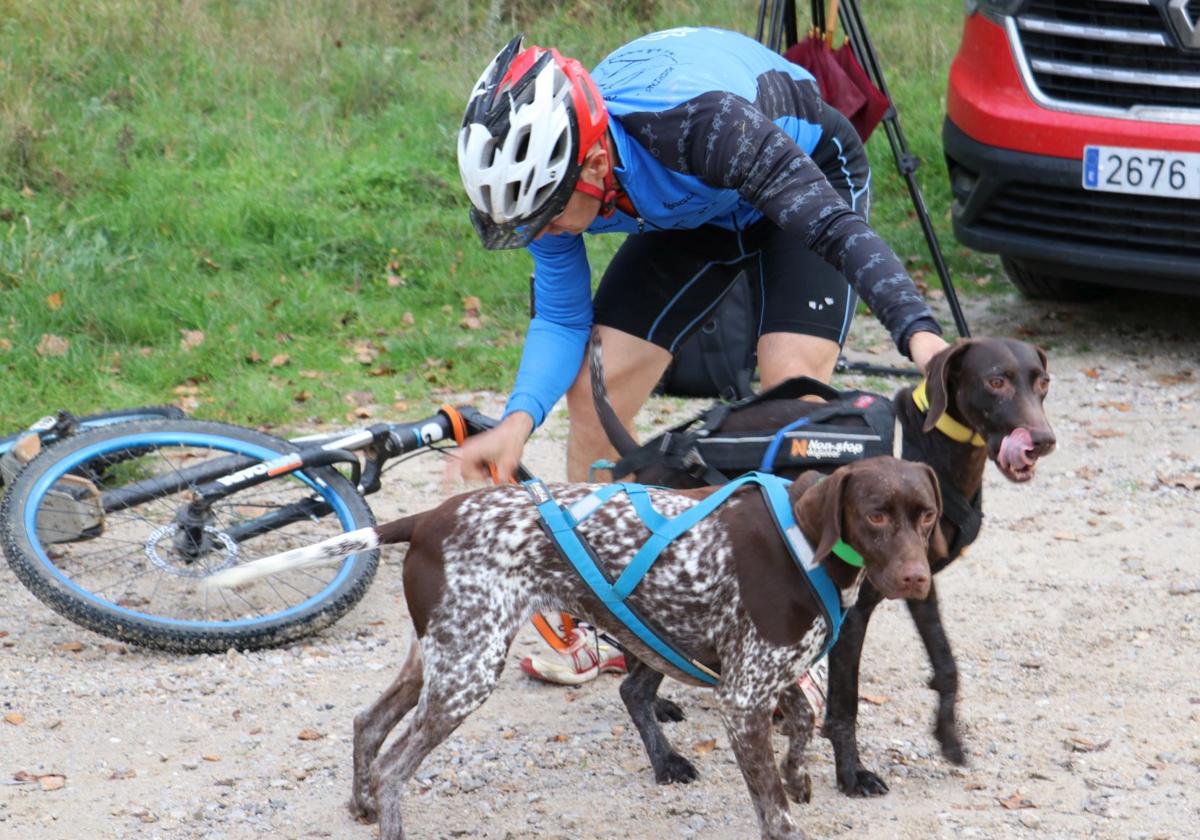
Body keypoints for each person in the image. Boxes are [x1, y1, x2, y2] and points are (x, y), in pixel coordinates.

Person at [452, 27, 949, 682]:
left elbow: (834, 230)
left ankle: (792, 635)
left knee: (793, 402)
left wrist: (921, 334)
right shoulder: (546, 186)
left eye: (544, 216)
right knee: (596, 386)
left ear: (594, 164)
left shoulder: (698, 126)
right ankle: (604, 615)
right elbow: (563, 316)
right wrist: (515, 424)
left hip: (802, 179)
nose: (538, 233)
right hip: (700, 209)